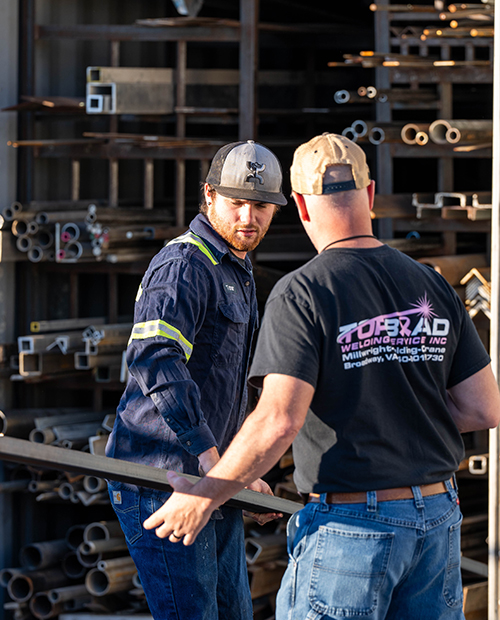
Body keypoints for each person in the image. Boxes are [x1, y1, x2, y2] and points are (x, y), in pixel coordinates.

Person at [143, 132, 500, 620]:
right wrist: (397, 418)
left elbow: (277, 421)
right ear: (370, 195)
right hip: (436, 518)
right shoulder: (431, 282)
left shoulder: (303, 293)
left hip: (352, 527)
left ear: (301, 207)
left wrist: (205, 495)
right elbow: (484, 409)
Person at [105, 139, 287, 620]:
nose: (249, 217)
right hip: (161, 475)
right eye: (237, 203)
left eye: (262, 206)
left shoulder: (237, 267)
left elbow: (232, 382)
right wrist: (213, 460)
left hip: (210, 475)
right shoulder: (185, 264)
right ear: (208, 196)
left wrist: (241, 471)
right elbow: (155, 358)